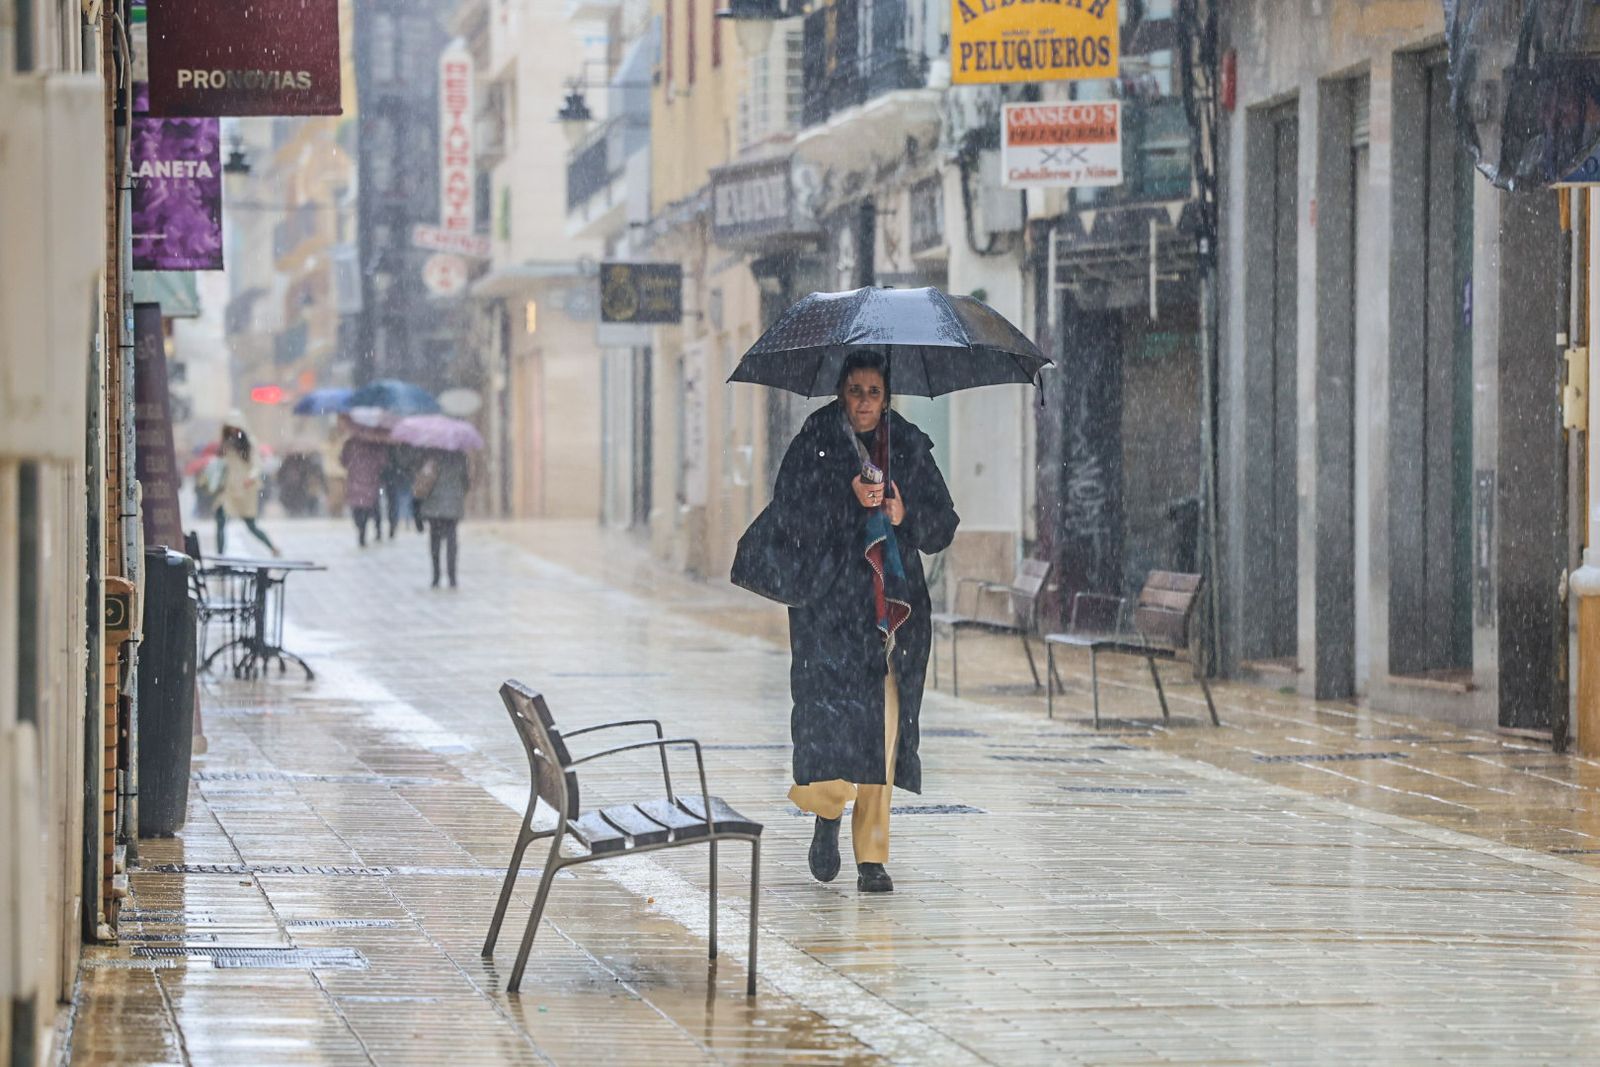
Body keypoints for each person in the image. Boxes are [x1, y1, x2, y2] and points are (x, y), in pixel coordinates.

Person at [731, 351, 958, 893]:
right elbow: (789, 516)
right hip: (830, 612)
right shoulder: (815, 441)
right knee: (830, 722)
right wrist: (845, 498)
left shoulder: (908, 444)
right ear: (840, 393)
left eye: (873, 392)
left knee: (884, 733)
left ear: (887, 396)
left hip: (892, 614)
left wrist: (903, 515)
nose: (863, 402)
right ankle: (827, 812)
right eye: (855, 391)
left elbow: (943, 524)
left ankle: (872, 857)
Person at [212, 412, 280, 557]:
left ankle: (272, 547)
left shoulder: (249, 442)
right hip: (229, 489)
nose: (233, 431)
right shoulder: (226, 444)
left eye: (235, 428)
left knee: (250, 525)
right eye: (230, 428)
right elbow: (221, 463)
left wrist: (251, 478)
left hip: (245, 489)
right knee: (220, 519)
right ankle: (220, 555)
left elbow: (257, 464)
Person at [415, 448, 469, 588]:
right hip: (453, 504)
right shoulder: (460, 457)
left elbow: (424, 479)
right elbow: (466, 481)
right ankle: (452, 577)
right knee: (452, 540)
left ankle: (436, 576)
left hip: (434, 504)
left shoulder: (431, 455)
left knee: (435, 540)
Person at [339, 422, 387, 547]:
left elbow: (343, 460)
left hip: (355, 480)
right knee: (371, 505)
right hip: (371, 480)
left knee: (358, 507)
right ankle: (372, 529)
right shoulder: (375, 442)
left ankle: (361, 529)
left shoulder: (350, 443)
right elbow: (382, 462)